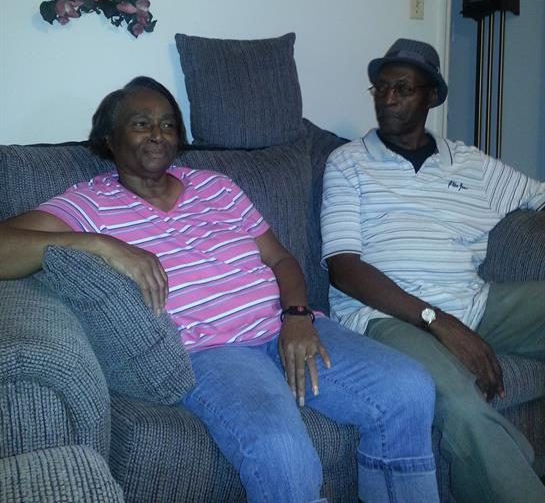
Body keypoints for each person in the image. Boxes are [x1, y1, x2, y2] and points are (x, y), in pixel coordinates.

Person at [0, 75, 440, 503]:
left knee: (409, 389)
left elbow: (281, 260)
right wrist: (98, 244)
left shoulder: (216, 185)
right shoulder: (88, 203)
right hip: (211, 354)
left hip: (283, 326)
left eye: (168, 124)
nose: (157, 134)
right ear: (109, 138)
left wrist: (297, 316)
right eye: (141, 123)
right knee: (282, 450)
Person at [320, 37, 545, 503]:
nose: (388, 98)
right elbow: (343, 269)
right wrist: (437, 321)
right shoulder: (348, 163)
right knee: (462, 405)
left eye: (402, 88)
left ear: (432, 97)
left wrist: (455, 320)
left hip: (474, 302)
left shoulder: (471, 164)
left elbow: (538, 196)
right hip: (387, 320)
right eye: (381, 88)